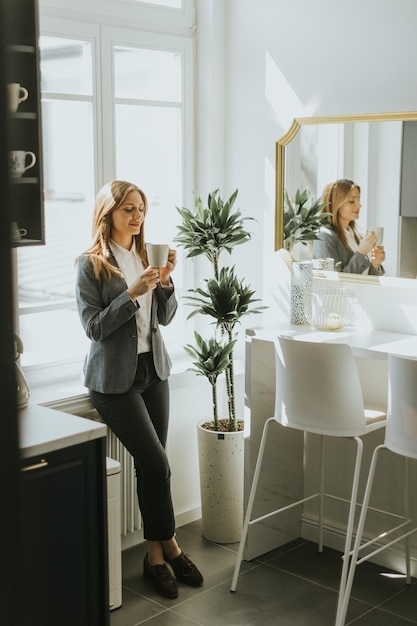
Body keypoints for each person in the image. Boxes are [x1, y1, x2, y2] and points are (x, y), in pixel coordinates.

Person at [75, 180, 203, 599]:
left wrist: (164, 282)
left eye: (142, 208)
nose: (137, 216)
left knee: (153, 467)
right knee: (156, 463)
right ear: (108, 213)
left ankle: (155, 555)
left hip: (153, 371)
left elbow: (163, 319)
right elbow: (94, 328)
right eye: (128, 208)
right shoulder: (92, 264)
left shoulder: (145, 256)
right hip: (114, 382)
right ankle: (168, 547)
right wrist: (131, 295)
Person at [312, 179, 385, 275]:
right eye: (351, 201)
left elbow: (363, 277)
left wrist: (375, 264)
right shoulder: (324, 237)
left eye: (358, 200)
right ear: (335, 204)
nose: (359, 205)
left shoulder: (354, 236)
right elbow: (333, 282)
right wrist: (361, 253)